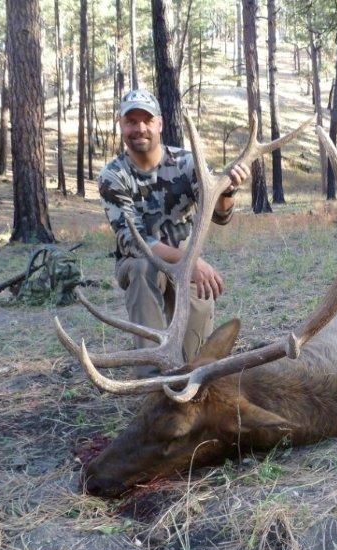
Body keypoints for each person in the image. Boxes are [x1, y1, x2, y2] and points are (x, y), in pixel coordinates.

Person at [99, 89, 249, 367]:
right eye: (131, 121)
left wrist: (228, 191)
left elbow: (220, 217)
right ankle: (154, 378)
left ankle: (191, 373)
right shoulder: (113, 176)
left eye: (147, 120)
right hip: (143, 263)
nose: (140, 128)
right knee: (142, 269)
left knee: (197, 363)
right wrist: (190, 260)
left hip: (188, 267)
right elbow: (133, 241)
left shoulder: (187, 163)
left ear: (159, 124)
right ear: (121, 125)